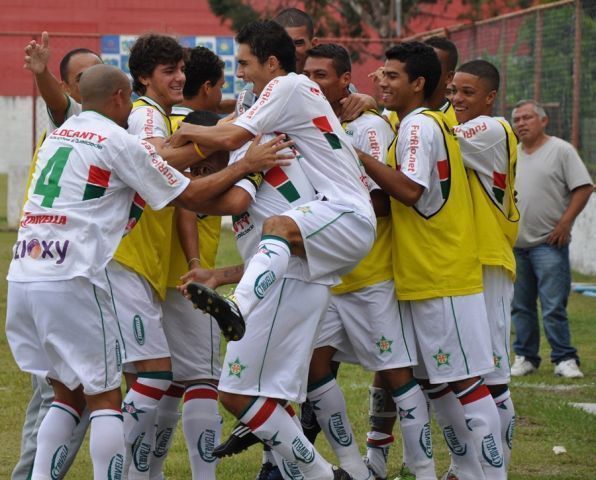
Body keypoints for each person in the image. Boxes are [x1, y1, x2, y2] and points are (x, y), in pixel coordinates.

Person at [6, 63, 294, 480]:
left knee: (66, 396)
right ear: (122, 97)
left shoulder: (58, 136)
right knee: (104, 398)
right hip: (75, 276)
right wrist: (245, 164)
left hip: (25, 274)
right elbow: (191, 193)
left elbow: (154, 167)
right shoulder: (117, 140)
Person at [171, 19, 376, 480]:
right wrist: (216, 274)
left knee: (280, 226)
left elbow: (225, 144)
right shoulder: (268, 117)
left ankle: (235, 308)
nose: (239, 73)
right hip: (298, 261)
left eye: (243, 62)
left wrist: (178, 142)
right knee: (239, 395)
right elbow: (213, 156)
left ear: (270, 61)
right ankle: (331, 473)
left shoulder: (288, 86)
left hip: (347, 215)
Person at [358, 42, 506, 480]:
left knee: (466, 383)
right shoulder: (412, 124)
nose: (381, 81)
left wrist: (358, 157)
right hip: (422, 273)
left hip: (443, 272)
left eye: (393, 76)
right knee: (439, 383)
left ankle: (491, 475)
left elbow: (410, 190)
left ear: (418, 84)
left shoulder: (419, 127)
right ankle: (464, 470)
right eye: (380, 74)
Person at [302, 43, 428, 480]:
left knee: (395, 373)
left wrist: (323, 212)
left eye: (321, 75)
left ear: (344, 80)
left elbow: (386, 202)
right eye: (308, 73)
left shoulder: (369, 126)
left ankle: (422, 469)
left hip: (370, 274)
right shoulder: (311, 123)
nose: (312, 81)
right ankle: (355, 469)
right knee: (314, 368)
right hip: (329, 276)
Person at [12, 33, 103, 480]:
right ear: (69, 88)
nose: (97, 78)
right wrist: (42, 73)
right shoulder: (76, 120)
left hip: (81, 276)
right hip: (58, 275)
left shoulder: (119, 119)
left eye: (101, 68)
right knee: (63, 396)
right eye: (83, 76)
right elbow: (55, 102)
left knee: (85, 394)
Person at [153, 47, 228, 480]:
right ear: (208, 88)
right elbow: (186, 202)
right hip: (186, 275)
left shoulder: (172, 127)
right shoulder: (201, 136)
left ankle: (150, 471)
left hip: (156, 270)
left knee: (165, 378)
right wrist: (198, 262)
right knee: (202, 377)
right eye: (221, 86)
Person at [452, 59, 520, 474]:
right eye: (452, 91)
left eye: (467, 92)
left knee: (492, 376)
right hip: (460, 262)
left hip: (489, 261)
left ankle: (498, 469)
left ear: (491, 97)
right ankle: (466, 468)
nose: (457, 99)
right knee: (459, 374)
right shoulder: (454, 124)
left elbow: (435, 138)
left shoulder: (493, 129)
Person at [510, 100, 593, 378]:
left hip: (549, 243)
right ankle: (525, 356)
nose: (521, 123)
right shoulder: (511, 154)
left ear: (543, 121)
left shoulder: (561, 150)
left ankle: (564, 358)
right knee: (520, 306)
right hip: (516, 245)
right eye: (517, 119)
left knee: (553, 305)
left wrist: (565, 222)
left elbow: (583, 188)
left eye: (527, 118)